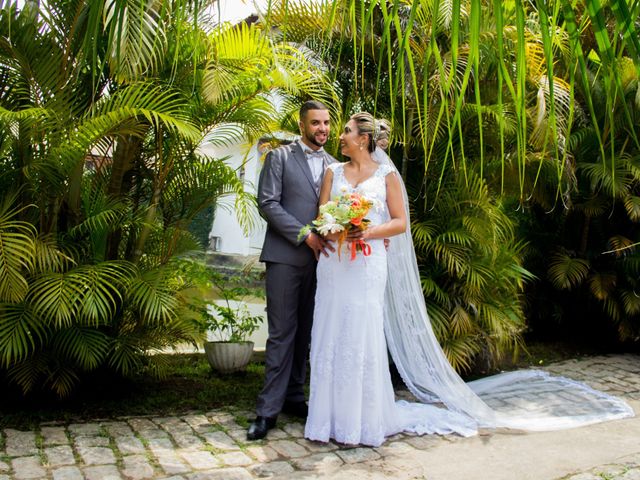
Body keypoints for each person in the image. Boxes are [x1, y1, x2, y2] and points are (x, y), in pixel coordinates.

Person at [304, 112, 634, 447]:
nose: (339, 135)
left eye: (345, 131)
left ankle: (362, 419)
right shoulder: (333, 172)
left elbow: (401, 222)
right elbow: (321, 216)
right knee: (330, 330)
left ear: (363, 138)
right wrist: (338, 229)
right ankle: (327, 418)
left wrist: (369, 231)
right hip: (336, 266)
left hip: (367, 265)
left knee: (362, 332)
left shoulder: (386, 175)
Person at [247, 100, 336, 441]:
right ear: (302, 125)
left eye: (327, 123)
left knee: (307, 332)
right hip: (286, 257)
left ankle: (295, 397)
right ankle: (267, 411)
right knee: (282, 332)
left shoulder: (334, 165)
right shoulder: (279, 157)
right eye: (316, 123)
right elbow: (267, 203)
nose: (323, 129)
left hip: (323, 263)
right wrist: (305, 235)